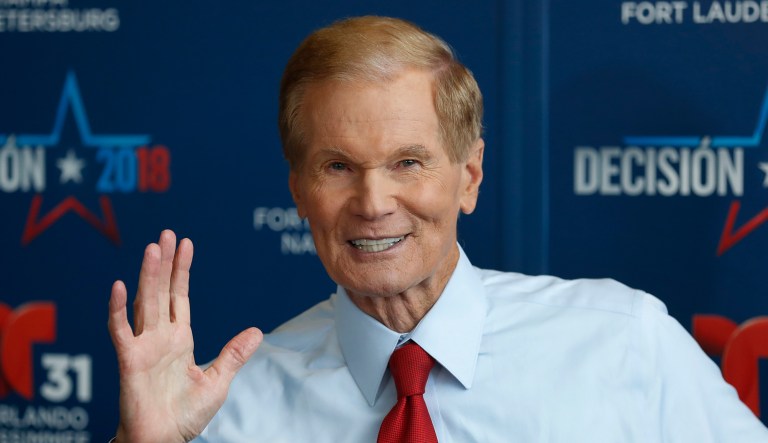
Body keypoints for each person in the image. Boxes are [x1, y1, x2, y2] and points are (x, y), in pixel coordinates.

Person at [107, 16, 768, 442]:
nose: (373, 200)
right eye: (338, 166)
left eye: (407, 162)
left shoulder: (624, 341)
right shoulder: (230, 408)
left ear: (470, 176)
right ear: (299, 192)